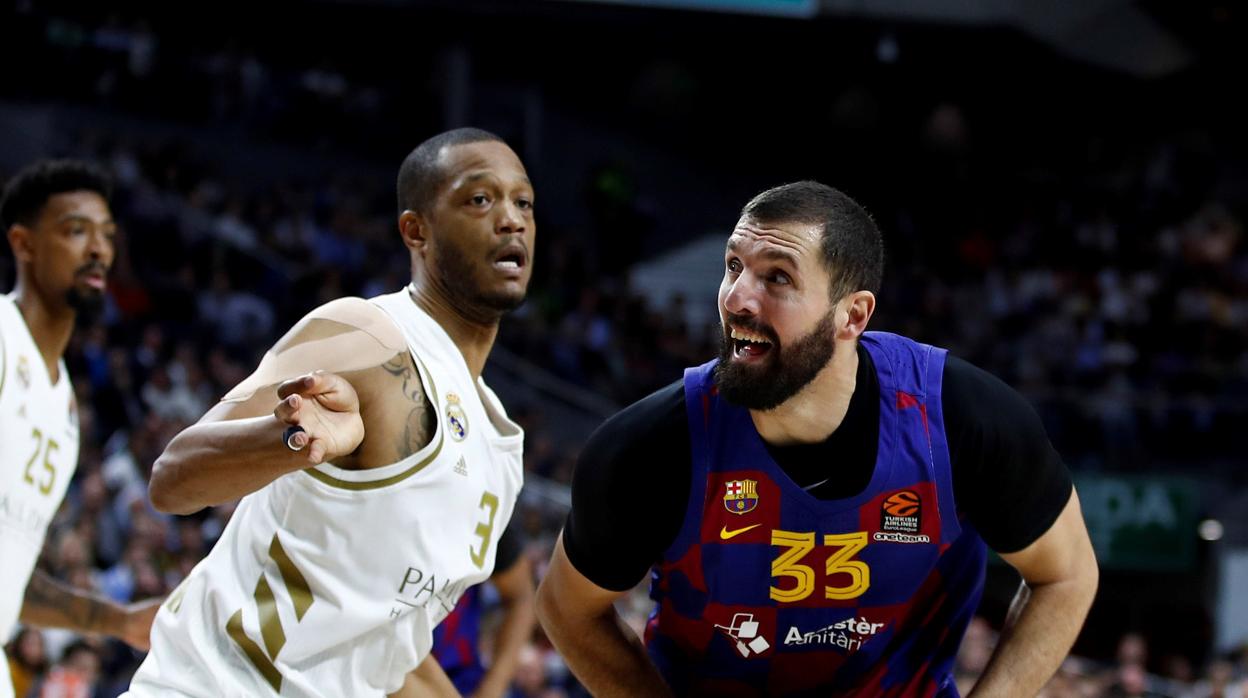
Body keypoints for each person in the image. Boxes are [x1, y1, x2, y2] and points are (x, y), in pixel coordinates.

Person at [536, 181, 1099, 696]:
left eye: (776, 277)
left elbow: (1067, 574)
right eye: (734, 266)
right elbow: (567, 608)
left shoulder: (962, 420)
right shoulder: (651, 446)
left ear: (852, 315)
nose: (736, 298)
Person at [124, 127, 534, 697]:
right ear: (417, 230)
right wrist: (286, 439)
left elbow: (388, 651)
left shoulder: (500, 447)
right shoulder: (367, 337)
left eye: (524, 202)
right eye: (481, 199)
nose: (511, 219)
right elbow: (172, 479)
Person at [1, 160, 161, 698]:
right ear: (23, 243)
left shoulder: (65, 407)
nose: (99, 250)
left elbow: (13, 578)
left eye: (107, 235)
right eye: (76, 231)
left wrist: (119, 622)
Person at [431, 523, 535, 698]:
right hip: (391, 677)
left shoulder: (485, 507)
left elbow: (522, 598)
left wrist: (492, 688)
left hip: (462, 680)